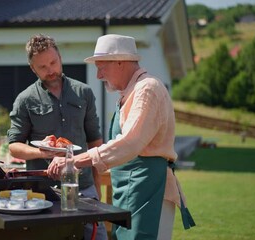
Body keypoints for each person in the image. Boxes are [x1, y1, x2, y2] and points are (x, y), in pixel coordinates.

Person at [47, 34, 196, 240]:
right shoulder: (131, 92)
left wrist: (74, 161)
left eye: (101, 67)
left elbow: (130, 142)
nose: (98, 75)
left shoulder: (147, 89)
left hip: (150, 189)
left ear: (119, 62)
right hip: (132, 189)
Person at [7, 33, 108, 240]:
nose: (50, 70)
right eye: (42, 67)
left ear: (60, 58)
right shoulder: (25, 100)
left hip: (84, 187)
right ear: (32, 69)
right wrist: (39, 151)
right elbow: (14, 146)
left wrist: (97, 190)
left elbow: (96, 143)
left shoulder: (84, 93)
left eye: (53, 62)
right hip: (44, 191)